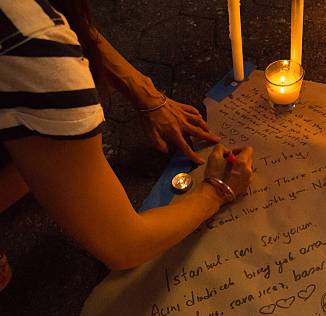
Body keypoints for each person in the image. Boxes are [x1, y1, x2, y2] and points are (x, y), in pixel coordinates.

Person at [0, 0, 253, 270]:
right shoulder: (32, 42)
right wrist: (216, 192)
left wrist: (141, 89)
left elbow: (64, 18)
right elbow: (124, 246)